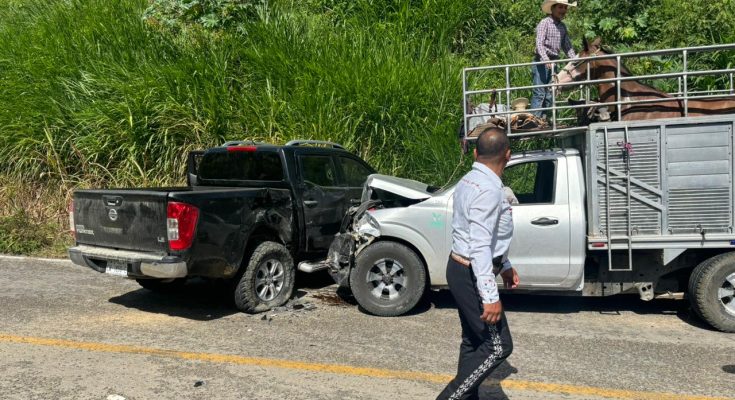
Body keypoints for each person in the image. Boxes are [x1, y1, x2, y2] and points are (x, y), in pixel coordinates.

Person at [436, 127, 520, 400]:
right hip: (471, 271)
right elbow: (480, 245)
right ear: (507, 155)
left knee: (474, 341)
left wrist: (505, 265)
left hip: (460, 268)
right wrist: (490, 296)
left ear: (475, 153)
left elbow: (493, 235)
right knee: (498, 347)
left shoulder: (469, 180)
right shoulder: (489, 190)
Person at [531, 0, 578, 118]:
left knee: (551, 93)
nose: (563, 10)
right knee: (539, 93)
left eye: (565, 8)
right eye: (560, 7)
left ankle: (548, 121)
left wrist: (576, 61)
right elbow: (539, 43)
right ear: (552, 9)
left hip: (554, 61)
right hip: (541, 61)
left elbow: (567, 47)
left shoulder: (562, 27)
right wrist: (545, 59)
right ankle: (534, 121)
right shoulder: (545, 23)